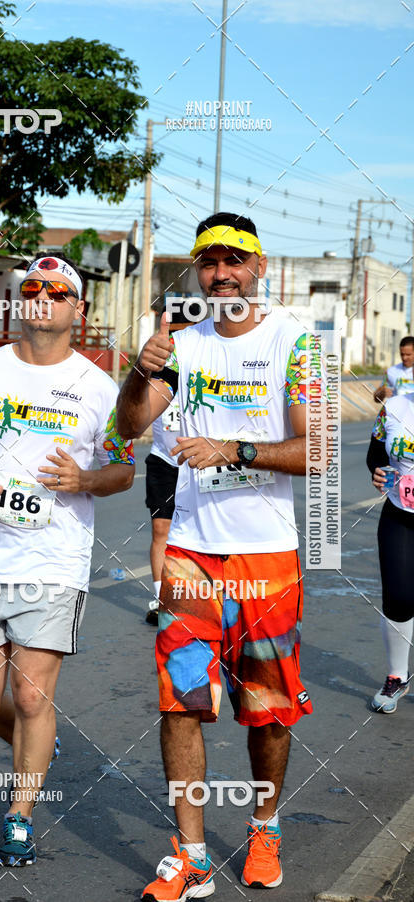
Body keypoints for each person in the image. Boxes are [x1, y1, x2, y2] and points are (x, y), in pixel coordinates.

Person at [117, 212, 316, 900]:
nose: (222, 273)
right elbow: (129, 428)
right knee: (181, 703)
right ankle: (193, 853)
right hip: (191, 557)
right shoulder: (181, 344)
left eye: (235, 261)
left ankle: (264, 827)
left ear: (260, 268)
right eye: (210, 262)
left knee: (266, 710)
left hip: (267, 558)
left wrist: (233, 449)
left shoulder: (298, 343)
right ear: (197, 272)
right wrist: (136, 375)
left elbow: (314, 450)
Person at [0, 252, 134, 866]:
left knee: (30, 697)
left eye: (55, 290)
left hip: (56, 561)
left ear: (78, 308)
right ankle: (37, 753)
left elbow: (125, 471)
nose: (40, 298)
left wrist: (86, 479)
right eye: (30, 289)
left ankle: (20, 812)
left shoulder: (102, 390)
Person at [145, 304, 207, 626]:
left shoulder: (206, 364)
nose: (177, 336)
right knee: (161, 530)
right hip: (163, 459)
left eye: (185, 329)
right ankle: (160, 599)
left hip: (199, 462)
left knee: (198, 533)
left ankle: (200, 596)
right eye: (173, 329)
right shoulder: (156, 363)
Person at [366, 392, 414, 712]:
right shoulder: (394, 408)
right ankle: (397, 676)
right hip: (399, 513)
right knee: (398, 597)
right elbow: (374, 454)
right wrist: (379, 471)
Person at [373, 336, 414, 402]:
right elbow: (376, 399)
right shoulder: (391, 372)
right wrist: (381, 393)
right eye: (402, 354)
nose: (404, 358)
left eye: (408, 354)